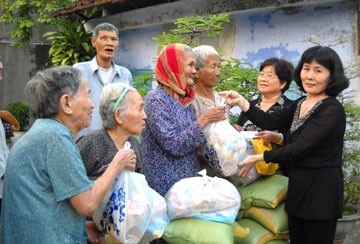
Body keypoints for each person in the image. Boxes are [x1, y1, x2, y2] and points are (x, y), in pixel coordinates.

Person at [220, 46, 349, 243]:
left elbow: (301, 148)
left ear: (332, 77)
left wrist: (261, 156)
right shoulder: (301, 103)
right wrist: (243, 103)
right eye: (306, 68)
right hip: (298, 187)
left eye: (318, 70)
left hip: (321, 191)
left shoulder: (331, 109)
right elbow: (272, 122)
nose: (310, 76)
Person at [1, 66, 137, 244]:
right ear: (66, 103)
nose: (92, 104)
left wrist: (80, 226)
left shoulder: (45, 132)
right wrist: (117, 163)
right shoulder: (55, 137)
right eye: (87, 95)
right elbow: (87, 203)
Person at [141, 43, 226, 197]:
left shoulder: (184, 99)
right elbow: (174, 145)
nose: (195, 71)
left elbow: (193, 142)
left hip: (187, 186)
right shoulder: (156, 100)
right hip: (166, 188)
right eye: (190, 65)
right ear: (175, 67)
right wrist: (204, 120)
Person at [236, 57, 294, 176]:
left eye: (270, 75)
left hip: (275, 174)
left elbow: (291, 144)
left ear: (283, 83)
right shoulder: (250, 106)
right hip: (245, 172)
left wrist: (258, 157)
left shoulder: (290, 108)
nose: (263, 79)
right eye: (261, 74)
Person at [74, 23, 133, 137]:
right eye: (104, 38)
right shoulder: (78, 71)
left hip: (116, 142)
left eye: (113, 39)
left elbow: (127, 109)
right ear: (93, 42)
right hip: (85, 141)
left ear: (118, 43)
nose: (109, 43)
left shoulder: (125, 75)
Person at [77, 83, 145, 179]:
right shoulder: (92, 143)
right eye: (140, 109)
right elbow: (73, 185)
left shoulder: (133, 143)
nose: (145, 116)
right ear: (118, 115)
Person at [191, 45, 230, 177]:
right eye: (213, 67)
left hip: (229, 168)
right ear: (197, 71)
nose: (218, 72)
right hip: (202, 174)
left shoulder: (222, 99)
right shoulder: (191, 102)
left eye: (219, 67)